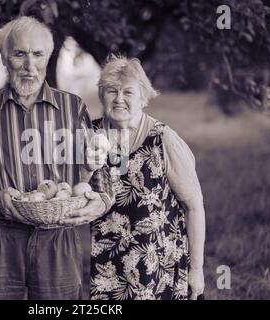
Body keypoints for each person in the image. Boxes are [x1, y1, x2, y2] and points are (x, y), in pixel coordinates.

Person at [0, 16, 112, 300]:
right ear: (4, 57)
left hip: (58, 238)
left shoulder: (72, 108)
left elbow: (99, 167)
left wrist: (102, 201)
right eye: (19, 54)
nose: (29, 65)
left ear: (48, 57)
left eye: (37, 54)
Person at [84, 55, 206, 300]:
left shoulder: (163, 139)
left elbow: (195, 207)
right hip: (102, 265)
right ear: (101, 95)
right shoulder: (88, 135)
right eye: (111, 91)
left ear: (143, 97)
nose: (119, 99)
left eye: (128, 92)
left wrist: (196, 269)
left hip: (157, 266)